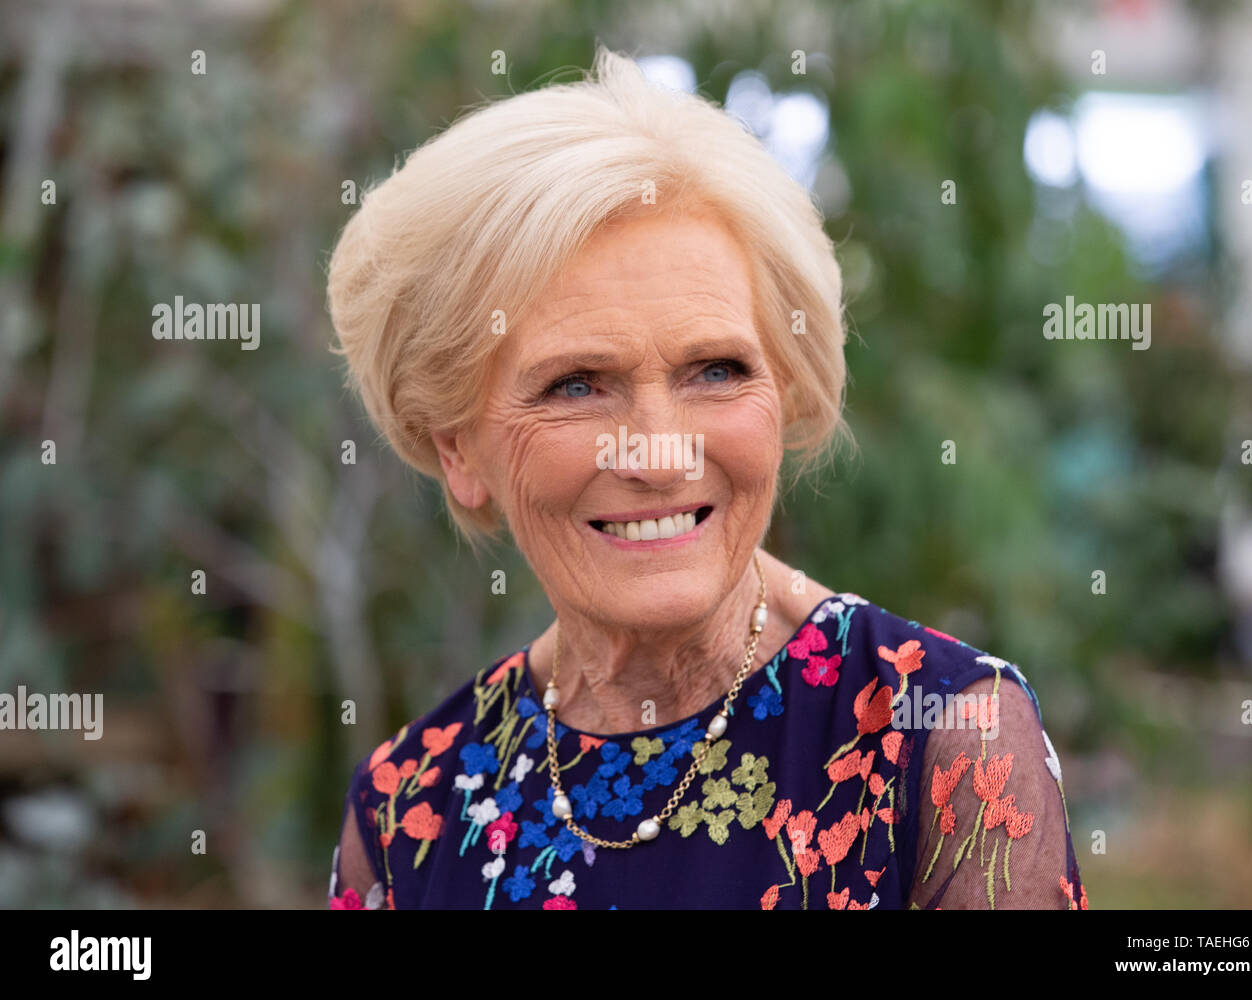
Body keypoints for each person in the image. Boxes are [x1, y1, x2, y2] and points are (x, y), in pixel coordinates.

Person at [323, 46, 1087, 910]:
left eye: (716, 371)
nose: (659, 455)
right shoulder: (406, 809)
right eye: (576, 386)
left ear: (786, 387)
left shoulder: (945, 740)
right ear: (459, 451)